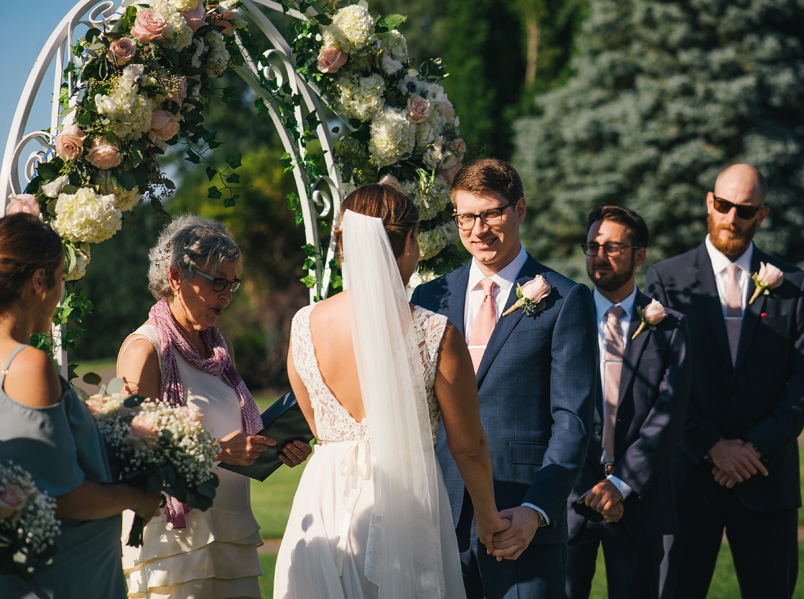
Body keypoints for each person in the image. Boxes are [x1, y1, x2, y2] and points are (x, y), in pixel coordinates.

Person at [273, 184, 507, 599]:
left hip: (322, 500)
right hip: (401, 504)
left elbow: (318, 426)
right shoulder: (434, 332)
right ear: (409, 242)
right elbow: (468, 446)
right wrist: (488, 518)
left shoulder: (303, 325)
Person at [412, 158, 597, 599]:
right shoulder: (429, 296)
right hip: (439, 516)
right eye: (466, 217)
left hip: (520, 520)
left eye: (492, 213)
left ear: (520, 210)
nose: (479, 229)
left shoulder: (566, 300)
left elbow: (572, 419)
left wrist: (536, 509)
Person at [646, 164, 804, 599]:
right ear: (710, 203)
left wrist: (754, 448)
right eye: (723, 206)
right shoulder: (666, 280)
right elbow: (658, 377)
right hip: (688, 479)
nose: (731, 218)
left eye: (744, 210)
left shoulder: (792, 285)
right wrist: (711, 445)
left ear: (761, 216)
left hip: (767, 479)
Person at [117, 215, 311, 599]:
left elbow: (237, 437)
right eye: (216, 282)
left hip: (232, 531)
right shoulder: (146, 350)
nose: (226, 295)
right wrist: (220, 450)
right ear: (175, 277)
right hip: (176, 543)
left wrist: (273, 449)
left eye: (231, 283)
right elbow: (130, 457)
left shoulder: (221, 349)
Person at [0, 213, 161, 598]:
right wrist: (136, 497)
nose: (59, 295)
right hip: (66, 575)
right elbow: (59, 496)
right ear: (38, 281)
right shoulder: (28, 365)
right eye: (59, 279)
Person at [565, 206, 691, 599]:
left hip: (640, 498)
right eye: (592, 246)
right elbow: (555, 409)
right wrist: (591, 486)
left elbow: (667, 417)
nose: (599, 256)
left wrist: (620, 485)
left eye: (612, 247)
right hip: (572, 496)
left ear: (640, 255)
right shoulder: (563, 318)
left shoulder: (669, 327)